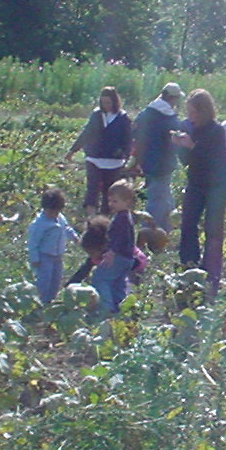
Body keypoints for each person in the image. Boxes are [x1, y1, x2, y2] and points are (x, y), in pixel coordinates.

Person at [173, 88, 226, 292]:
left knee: (213, 229)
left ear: (204, 111)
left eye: (194, 113)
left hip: (217, 184)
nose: (190, 117)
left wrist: (193, 147)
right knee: (188, 223)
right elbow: (189, 161)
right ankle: (189, 265)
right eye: (188, 113)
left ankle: (212, 272)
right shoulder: (191, 129)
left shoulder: (216, 131)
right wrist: (180, 146)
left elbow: (213, 160)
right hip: (196, 182)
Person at [64, 87, 132, 215]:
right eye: (103, 102)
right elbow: (86, 134)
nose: (106, 105)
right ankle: (92, 219)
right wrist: (72, 150)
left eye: (108, 102)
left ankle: (105, 222)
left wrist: (126, 158)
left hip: (113, 161)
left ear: (114, 102)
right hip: (94, 158)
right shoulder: (96, 115)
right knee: (92, 190)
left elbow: (127, 140)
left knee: (109, 192)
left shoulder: (123, 118)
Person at [130, 83, 183, 228]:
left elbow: (135, 137)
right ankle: (148, 233)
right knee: (156, 201)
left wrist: (136, 161)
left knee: (164, 198)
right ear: (173, 98)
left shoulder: (145, 114)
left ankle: (167, 229)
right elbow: (175, 142)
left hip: (147, 161)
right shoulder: (169, 119)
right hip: (163, 164)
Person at [89, 180, 141, 315]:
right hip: (127, 258)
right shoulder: (125, 216)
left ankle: (106, 308)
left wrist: (112, 251)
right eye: (110, 201)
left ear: (127, 201)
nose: (111, 204)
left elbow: (119, 237)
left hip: (118, 256)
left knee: (100, 278)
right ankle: (121, 309)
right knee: (118, 283)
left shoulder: (121, 219)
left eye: (115, 201)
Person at [27, 188, 79, 304]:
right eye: (51, 211)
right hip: (45, 257)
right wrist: (34, 258)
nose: (53, 214)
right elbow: (33, 243)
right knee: (44, 282)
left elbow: (66, 228)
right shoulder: (39, 224)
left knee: (56, 280)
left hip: (58, 256)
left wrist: (74, 237)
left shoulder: (60, 218)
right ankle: (41, 302)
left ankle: (51, 300)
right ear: (44, 208)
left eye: (56, 211)